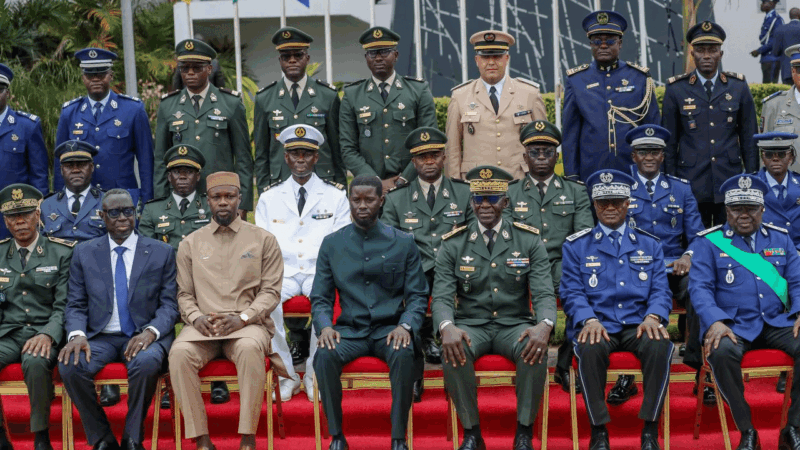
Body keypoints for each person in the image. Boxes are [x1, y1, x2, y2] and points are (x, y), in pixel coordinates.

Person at [432, 165, 556, 450]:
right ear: (471, 201)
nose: (484, 205)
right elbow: (441, 296)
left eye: (492, 198)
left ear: (506, 201)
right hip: (471, 325)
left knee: (534, 348)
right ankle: (472, 433)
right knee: (453, 349)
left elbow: (544, 292)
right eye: (478, 199)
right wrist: (446, 327)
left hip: (513, 325)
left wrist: (545, 325)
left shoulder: (528, 239)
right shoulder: (454, 243)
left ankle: (524, 432)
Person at [311, 175, 428, 450]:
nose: (362, 205)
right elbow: (320, 297)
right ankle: (337, 437)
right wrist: (325, 326)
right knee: (324, 355)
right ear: (349, 201)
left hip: (390, 330)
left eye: (369, 199)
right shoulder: (332, 244)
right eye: (356, 200)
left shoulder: (403, 243)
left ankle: (399, 438)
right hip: (350, 332)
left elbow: (418, 296)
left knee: (404, 353)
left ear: (381, 201)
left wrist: (406, 326)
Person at [169, 172, 284, 450]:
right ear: (207, 201)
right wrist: (196, 318)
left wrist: (243, 318)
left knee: (247, 350)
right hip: (203, 328)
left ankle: (247, 437)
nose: (223, 202)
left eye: (229, 196)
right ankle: (202, 439)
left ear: (239, 199)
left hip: (247, 325)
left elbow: (270, 292)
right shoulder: (190, 243)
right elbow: (183, 294)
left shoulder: (263, 240)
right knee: (179, 354)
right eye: (217, 197)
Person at [560, 169, 673, 450]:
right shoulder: (577, 246)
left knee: (661, 346)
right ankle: (599, 431)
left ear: (628, 203)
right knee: (589, 348)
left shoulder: (650, 244)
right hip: (598, 323)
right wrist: (587, 319)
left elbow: (661, 289)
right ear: (594, 206)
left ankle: (650, 430)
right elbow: (571, 291)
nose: (609, 208)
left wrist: (653, 316)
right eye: (603, 203)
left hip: (638, 324)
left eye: (616, 201)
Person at [58, 189, 178, 450]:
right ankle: (102, 437)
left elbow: (170, 304)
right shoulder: (84, 253)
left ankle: (132, 438)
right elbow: (75, 303)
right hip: (100, 336)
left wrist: (151, 332)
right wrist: (77, 334)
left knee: (146, 363)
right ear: (102, 216)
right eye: (114, 212)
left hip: (143, 334)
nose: (123, 217)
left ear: (136, 214)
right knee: (70, 364)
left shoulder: (162, 252)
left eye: (128, 211)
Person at [689, 173, 800, 450]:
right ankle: (747, 430)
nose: (744, 214)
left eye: (750, 208)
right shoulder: (709, 242)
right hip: (733, 325)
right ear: (727, 210)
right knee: (721, 353)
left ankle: (793, 427)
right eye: (737, 208)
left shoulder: (781, 239)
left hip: (777, 323)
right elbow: (700, 288)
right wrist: (714, 320)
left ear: (763, 209)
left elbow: (797, 281)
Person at [603, 125, 710, 406]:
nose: (649, 156)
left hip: (674, 266)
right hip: (634, 268)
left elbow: (698, 235)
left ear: (662, 156)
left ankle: (701, 370)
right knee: (625, 295)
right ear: (633, 156)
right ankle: (626, 376)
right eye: (643, 151)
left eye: (654, 151)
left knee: (700, 293)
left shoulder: (680, 188)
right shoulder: (620, 188)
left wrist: (688, 256)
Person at [254, 125, 350, 402]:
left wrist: (327, 274)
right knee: (265, 306)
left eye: (306, 154)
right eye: (294, 153)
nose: (300, 159)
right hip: (281, 271)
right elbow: (263, 244)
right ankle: (287, 376)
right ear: (286, 158)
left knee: (325, 306)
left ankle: (313, 374)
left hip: (319, 270)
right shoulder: (269, 198)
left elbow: (340, 242)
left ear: (316, 157)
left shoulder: (336, 196)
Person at [382, 126, 473, 401]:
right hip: (415, 269)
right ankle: (414, 373)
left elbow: (472, 236)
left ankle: (454, 373)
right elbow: (390, 240)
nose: (429, 161)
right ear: (414, 163)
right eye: (423, 157)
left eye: (434, 154)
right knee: (409, 299)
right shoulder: (397, 199)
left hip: (456, 268)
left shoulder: (463, 193)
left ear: (444, 157)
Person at [505, 120, 593, 394]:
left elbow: (582, 236)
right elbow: (507, 238)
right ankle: (523, 362)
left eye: (547, 152)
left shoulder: (575, 191)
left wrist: (569, 269)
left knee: (582, 298)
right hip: (520, 265)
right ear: (524, 157)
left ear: (557, 157)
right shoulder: (510, 192)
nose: (541, 157)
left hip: (561, 265)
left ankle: (565, 365)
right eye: (535, 152)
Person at [139, 145, 231, 408]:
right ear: (168, 176)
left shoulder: (211, 205)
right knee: (162, 318)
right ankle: (169, 382)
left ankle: (218, 380)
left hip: (207, 280)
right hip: (165, 283)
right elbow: (146, 253)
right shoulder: (152, 211)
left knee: (214, 309)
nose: (182, 176)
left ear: (198, 176)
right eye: (176, 171)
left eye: (188, 171)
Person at [662, 21, 758, 228]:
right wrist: (671, 182)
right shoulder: (676, 89)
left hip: (729, 179)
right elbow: (669, 143)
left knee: (731, 244)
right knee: (696, 243)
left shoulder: (738, 86)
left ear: (720, 55)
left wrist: (751, 177)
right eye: (700, 50)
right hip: (691, 181)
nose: (706, 55)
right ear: (692, 54)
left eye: (712, 50)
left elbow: (749, 138)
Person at [0, 184, 73, 450]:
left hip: (45, 331)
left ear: (38, 214)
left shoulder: (62, 252)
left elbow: (66, 304)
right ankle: (1, 436)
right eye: (12, 216)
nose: (20, 221)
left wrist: (48, 334)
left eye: (26, 214)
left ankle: (41, 436)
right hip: (8, 333)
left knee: (35, 361)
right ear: (5, 221)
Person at [154, 40, 253, 218]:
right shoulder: (168, 105)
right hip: (181, 197)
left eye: (197, 68)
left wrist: (243, 202)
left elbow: (243, 158)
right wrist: (161, 202)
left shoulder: (230, 103)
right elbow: (161, 159)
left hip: (221, 197)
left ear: (209, 69)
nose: (190, 73)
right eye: (185, 68)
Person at [562, 10, 660, 182]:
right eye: (597, 41)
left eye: (610, 41)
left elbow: (652, 128)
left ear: (620, 43)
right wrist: (571, 176)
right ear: (591, 44)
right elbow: (570, 134)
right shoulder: (576, 80)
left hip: (634, 169)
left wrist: (655, 173)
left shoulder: (639, 77)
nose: (603, 46)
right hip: (591, 170)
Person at [339, 27, 437, 193]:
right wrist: (375, 181)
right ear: (365, 58)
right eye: (372, 53)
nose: (378, 58)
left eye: (384, 52)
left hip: (412, 185)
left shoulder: (418, 90)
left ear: (396, 55)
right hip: (369, 188)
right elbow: (348, 148)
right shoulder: (352, 94)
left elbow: (427, 142)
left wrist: (404, 179)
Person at [55, 48, 154, 209]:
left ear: (111, 76)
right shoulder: (69, 112)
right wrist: (59, 203)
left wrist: (148, 203)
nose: (96, 79)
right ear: (83, 78)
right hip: (83, 200)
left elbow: (146, 161)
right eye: (90, 75)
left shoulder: (133, 110)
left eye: (101, 74)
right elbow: (60, 160)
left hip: (123, 198)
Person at [444, 30, 546, 180]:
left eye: (497, 56)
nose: (491, 62)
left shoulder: (530, 94)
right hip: (476, 182)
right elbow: (452, 149)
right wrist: (455, 187)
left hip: (520, 181)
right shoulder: (460, 96)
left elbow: (542, 143)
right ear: (476, 60)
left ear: (507, 58)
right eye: (485, 57)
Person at [254, 27, 345, 191]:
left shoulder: (327, 96)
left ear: (307, 58)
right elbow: (261, 154)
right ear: (280, 61)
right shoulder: (264, 98)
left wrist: (341, 188)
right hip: (280, 182)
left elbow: (337, 149)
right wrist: (263, 191)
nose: (292, 60)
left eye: (298, 55)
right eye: (286, 56)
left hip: (322, 181)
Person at [754, 131, 800, 394]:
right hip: (762, 258)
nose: (775, 159)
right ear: (763, 157)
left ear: (791, 157)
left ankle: (790, 370)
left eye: (781, 154)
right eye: (770, 154)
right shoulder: (751, 186)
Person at [0, 64, 48, 240]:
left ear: (8, 93)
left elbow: (39, 174)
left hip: (17, 213)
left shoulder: (27, 126)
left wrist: (38, 212)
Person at [41, 141, 106, 243]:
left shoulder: (107, 201)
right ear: (62, 170)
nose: (75, 170)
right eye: (69, 166)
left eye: (81, 165)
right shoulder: (46, 205)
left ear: (92, 167)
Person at [761, 44, 800, 173]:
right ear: (793, 72)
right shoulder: (773, 105)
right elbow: (763, 152)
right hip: (786, 188)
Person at [751, 0, 784, 84]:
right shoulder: (768, 18)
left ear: (772, 4)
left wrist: (759, 50)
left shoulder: (776, 19)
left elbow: (776, 40)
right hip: (767, 58)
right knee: (766, 86)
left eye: (764, 2)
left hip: (772, 57)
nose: (762, 5)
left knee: (770, 87)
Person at [770, 8, 800, 85]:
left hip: (788, 71)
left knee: (790, 95)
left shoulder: (780, 29)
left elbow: (775, 52)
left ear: (790, 16)